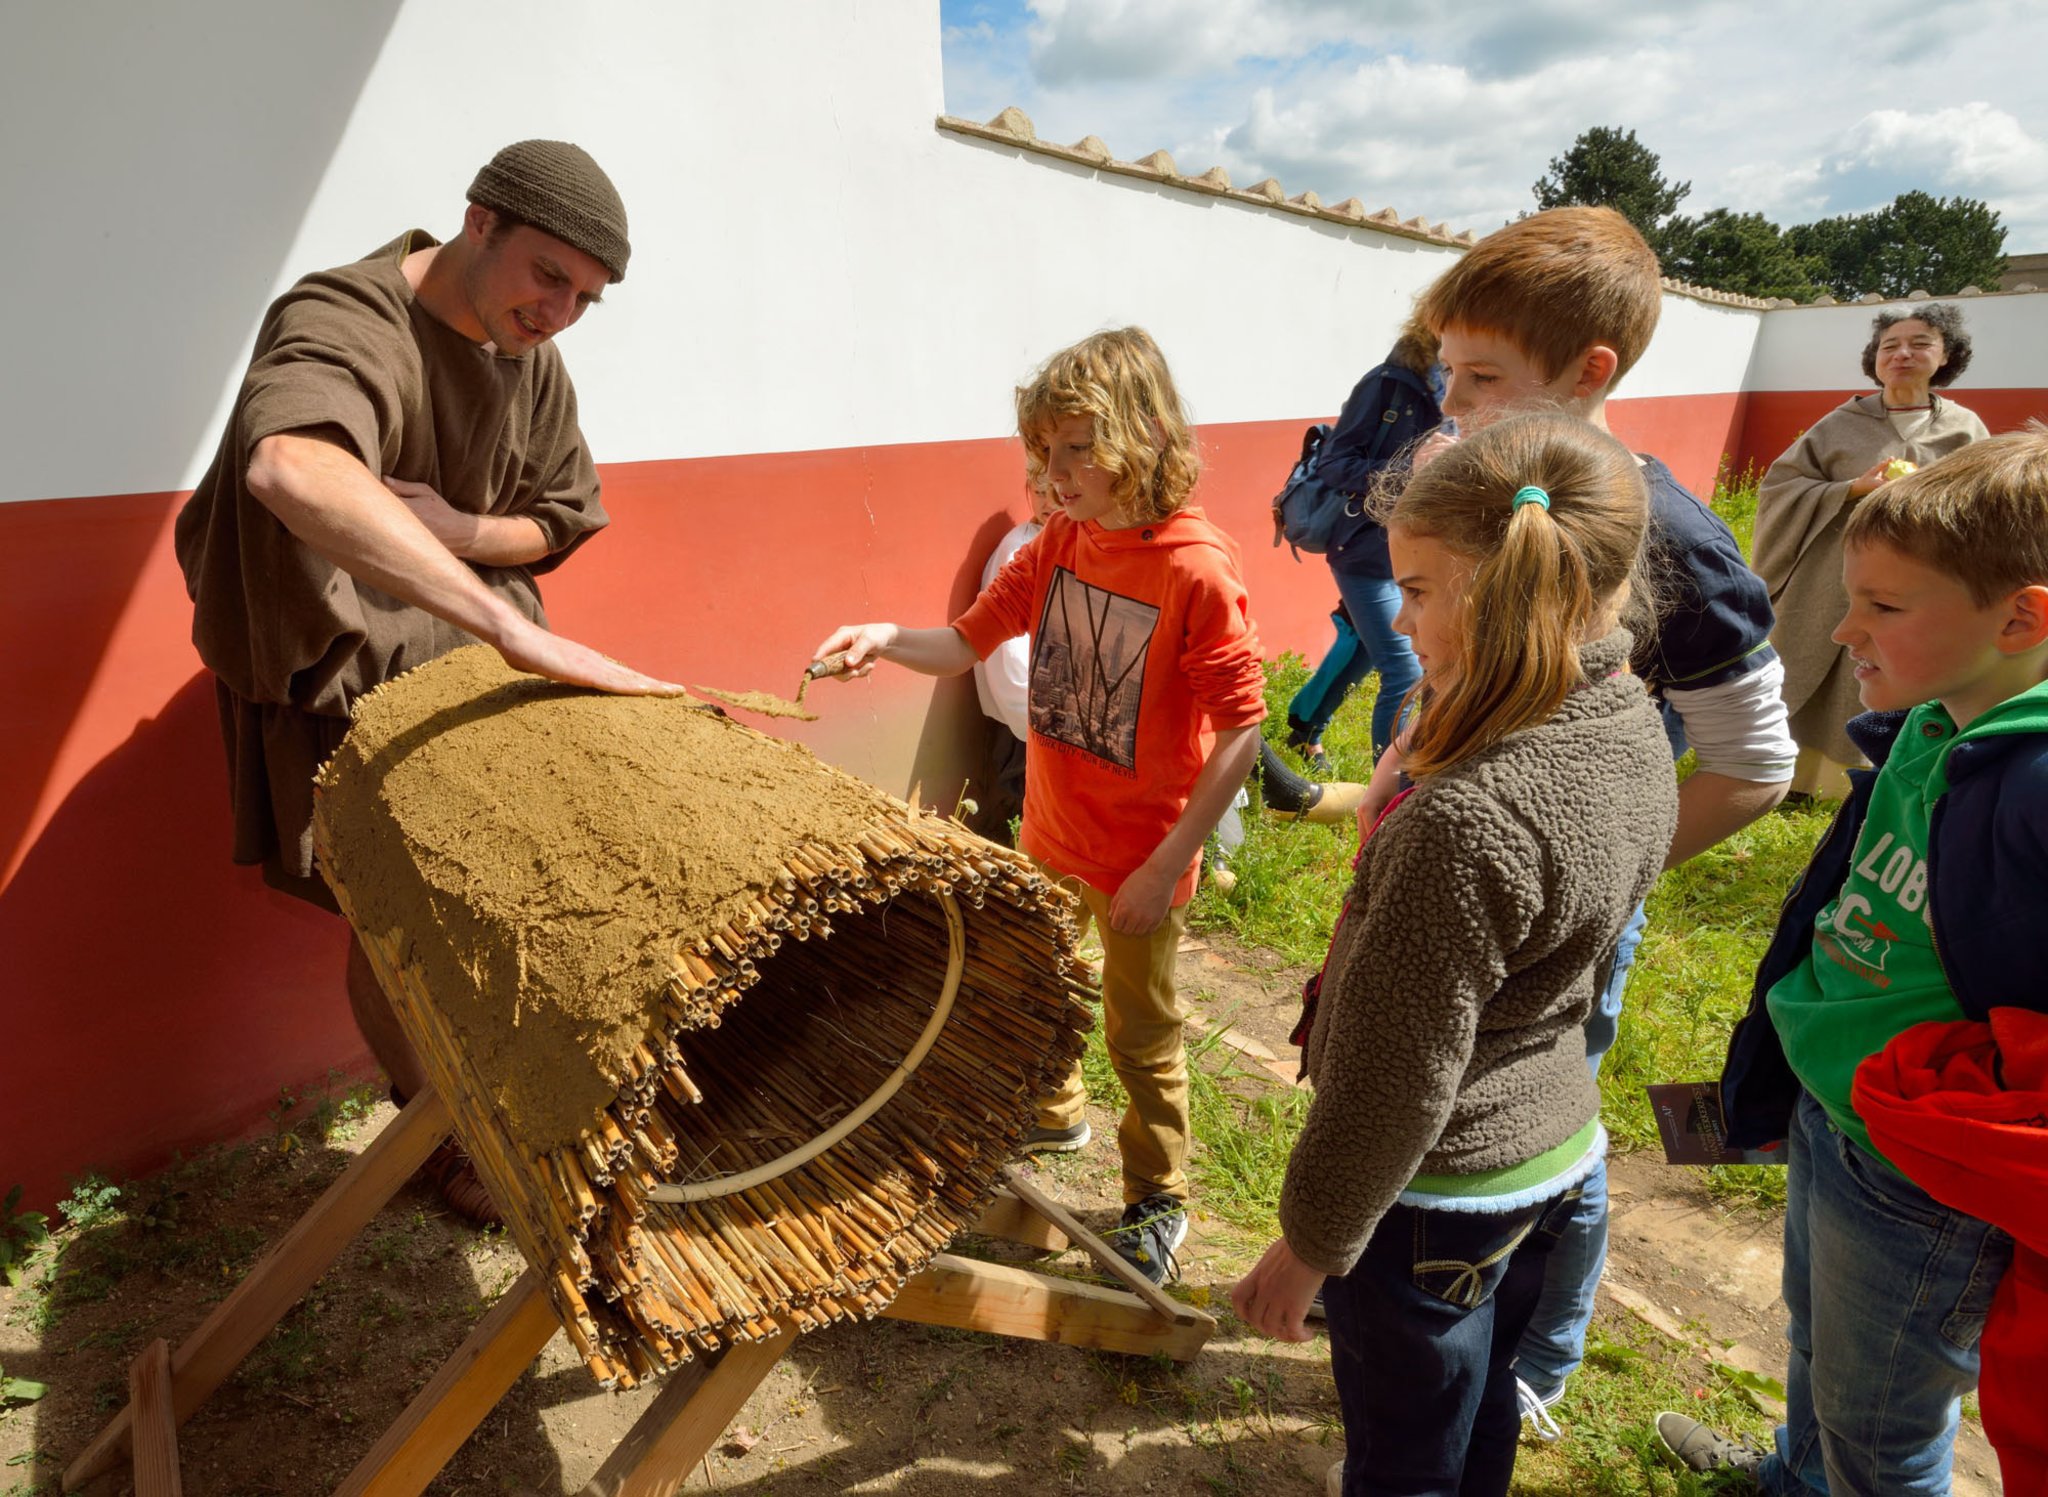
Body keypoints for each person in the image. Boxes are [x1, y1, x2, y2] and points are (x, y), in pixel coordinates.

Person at [174, 140, 685, 1222]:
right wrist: (512, 628)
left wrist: (463, 530)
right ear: (479, 221)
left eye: (587, 299)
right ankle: (435, 1128)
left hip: (465, 676)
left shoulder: (530, 359)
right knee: (394, 921)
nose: (559, 313)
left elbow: (559, 515)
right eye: (549, 275)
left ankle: (527, 1101)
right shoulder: (345, 317)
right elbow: (290, 467)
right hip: (342, 688)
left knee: (518, 895)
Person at [1356, 207, 1796, 1425]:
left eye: (1483, 378)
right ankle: (1436, 1294)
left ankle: (1532, 1358)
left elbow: (1755, 763)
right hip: (1461, 868)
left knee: (1548, 1124)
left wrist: (1599, 875)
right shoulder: (1478, 486)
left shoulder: (1681, 551)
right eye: (1445, 371)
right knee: (1440, 1098)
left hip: (1562, 904)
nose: (1454, 404)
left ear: (1586, 373)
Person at [1233, 412, 1678, 1497]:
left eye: (1418, 591)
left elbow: (1395, 1080)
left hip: (1431, 1192)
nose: (1397, 614)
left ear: (1511, 591)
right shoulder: (1628, 721)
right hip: (1550, 1156)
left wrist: (1308, 1246)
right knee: (1477, 1398)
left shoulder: (1464, 825)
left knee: (1402, 1445)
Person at [811, 328, 1266, 1285]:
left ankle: (1158, 1198)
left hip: (1143, 854)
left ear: (1141, 435)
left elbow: (1242, 733)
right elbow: (970, 640)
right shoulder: (1061, 539)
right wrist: (885, 636)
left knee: (1141, 1034)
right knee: (1043, 981)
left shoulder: (1195, 567)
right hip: (1054, 830)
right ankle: (1057, 1111)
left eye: (1076, 450)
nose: (1053, 475)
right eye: (1044, 452)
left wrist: (1164, 862)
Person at [1665, 429, 2048, 1495]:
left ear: (2019, 616)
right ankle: (1796, 1476)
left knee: (1881, 1427)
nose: (1844, 631)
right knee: (1818, 1353)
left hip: (1917, 1173)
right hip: (1830, 1116)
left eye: (1883, 606)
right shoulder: (1930, 719)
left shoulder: (2032, 790)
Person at [1753, 303, 1989, 802]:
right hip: (1829, 574)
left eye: (1920, 343)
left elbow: (1985, 503)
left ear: (1945, 356)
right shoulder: (1841, 423)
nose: (1902, 354)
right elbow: (1781, 486)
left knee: (1893, 666)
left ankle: (1868, 776)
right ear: (1875, 359)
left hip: (1922, 582)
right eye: (1889, 346)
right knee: (1811, 665)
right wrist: (1850, 489)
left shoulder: (1966, 430)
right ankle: (1790, 775)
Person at [1287, 317, 1441, 765]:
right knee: (1405, 669)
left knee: (1362, 648)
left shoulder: (1462, 391)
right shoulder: (1388, 385)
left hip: (1419, 547)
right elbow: (1335, 464)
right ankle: (1390, 794)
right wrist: (1407, 473)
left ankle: (1303, 724)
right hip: (1365, 550)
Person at [965, 482, 1056, 841]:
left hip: (1051, 721)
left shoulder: (1065, 542)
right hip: (1027, 724)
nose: (1049, 502)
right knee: (1027, 822)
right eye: (1041, 490)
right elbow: (1010, 660)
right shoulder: (1018, 552)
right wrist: (1040, 726)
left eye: (1058, 490)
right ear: (1028, 489)